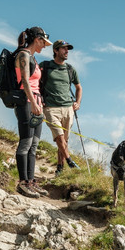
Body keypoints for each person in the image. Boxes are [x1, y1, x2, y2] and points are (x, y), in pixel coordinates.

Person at [13, 26, 52, 198]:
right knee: (26, 142)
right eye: (43, 42)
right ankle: (23, 182)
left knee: (34, 144)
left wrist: (40, 103)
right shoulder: (23, 55)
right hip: (26, 103)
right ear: (37, 39)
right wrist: (33, 103)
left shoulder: (33, 59)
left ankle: (31, 181)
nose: (44, 46)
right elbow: (25, 82)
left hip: (36, 103)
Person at [39, 39, 83, 176]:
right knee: (59, 137)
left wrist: (78, 102)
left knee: (64, 139)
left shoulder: (70, 69)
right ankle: (70, 161)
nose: (66, 51)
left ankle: (60, 167)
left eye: (67, 49)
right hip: (50, 108)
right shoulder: (45, 66)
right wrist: (39, 99)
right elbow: (35, 83)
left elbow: (78, 87)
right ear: (55, 50)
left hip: (68, 108)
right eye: (63, 49)